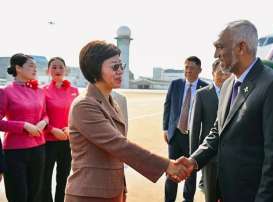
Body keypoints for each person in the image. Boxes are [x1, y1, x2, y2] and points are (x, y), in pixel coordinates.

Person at [177, 20, 273, 202]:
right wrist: (193, 161)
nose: (215, 54)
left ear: (241, 47)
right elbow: (218, 132)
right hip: (229, 192)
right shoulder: (227, 85)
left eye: (220, 47)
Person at [64, 40, 188, 202]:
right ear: (95, 68)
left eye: (121, 66)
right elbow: (119, 145)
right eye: (114, 67)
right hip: (89, 194)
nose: (121, 71)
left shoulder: (112, 102)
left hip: (112, 190)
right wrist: (167, 165)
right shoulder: (85, 105)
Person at [0, 53, 48, 202]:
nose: (35, 69)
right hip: (15, 151)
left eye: (36, 66)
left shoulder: (40, 91)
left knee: (35, 194)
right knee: (18, 195)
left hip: (39, 148)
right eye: (31, 66)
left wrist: (44, 122)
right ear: (18, 68)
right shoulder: (6, 91)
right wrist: (23, 125)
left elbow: (46, 114)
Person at [163, 56, 208, 202]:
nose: (188, 71)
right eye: (186, 67)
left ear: (199, 70)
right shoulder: (175, 84)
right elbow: (167, 106)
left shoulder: (205, 88)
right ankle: (169, 199)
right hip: (175, 134)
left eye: (192, 68)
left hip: (193, 137)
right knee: (171, 169)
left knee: (191, 172)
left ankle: (187, 200)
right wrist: (165, 129)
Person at [189, 59, 230, 202]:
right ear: (213, 74)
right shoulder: (202, 94)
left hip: (231, 156)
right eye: (220, 72)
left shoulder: (235, 93)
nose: (224, 76)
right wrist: (194, 155)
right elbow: (194, 128)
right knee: (211, 195)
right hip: (210, 155)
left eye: (227, 72)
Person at [42, 57, 79, 202]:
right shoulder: (42, 91)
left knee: (64, 179)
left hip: (67, 140)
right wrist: (51, 129)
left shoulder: (74, 91)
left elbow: (77, 115)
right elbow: (39, 115)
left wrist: (71, 128)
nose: (57, 70)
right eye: (54, 67)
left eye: (60, 67)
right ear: (48, 70)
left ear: (66, 70)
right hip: (47, 141)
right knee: (44, 179)